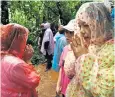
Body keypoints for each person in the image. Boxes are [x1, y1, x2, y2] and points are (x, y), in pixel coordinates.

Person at [65, 2, 114, 97]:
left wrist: (83, 57)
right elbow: (69, 73)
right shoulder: (87, 45)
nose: (82, 31)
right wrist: (75, 55)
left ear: (101, 24)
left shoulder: (111, 50)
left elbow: (103, 91)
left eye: (86, 25)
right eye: (79, 26)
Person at [1, 23, 40, 97]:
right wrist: (27, 59)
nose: (25, 43)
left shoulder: (3, 56)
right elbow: (33, 81)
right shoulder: (16, 64)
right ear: (17, 41)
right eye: (23, 39)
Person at [56, 19, 76, 97]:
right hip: (65, 86)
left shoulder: (83, 51)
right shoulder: (65, 49)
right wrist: (58, 84)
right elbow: (62, 68)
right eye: (66, 32)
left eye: (71, 32)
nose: (67, 35)